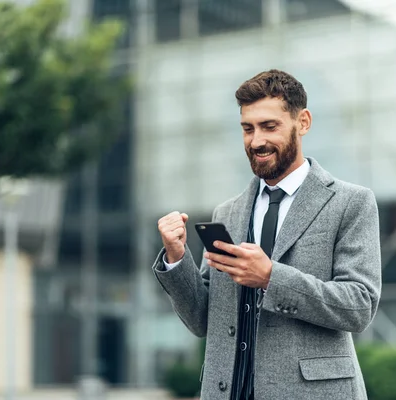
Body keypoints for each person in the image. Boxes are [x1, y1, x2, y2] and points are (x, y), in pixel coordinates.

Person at [153, 69, 381, 400]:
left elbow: (359, 306)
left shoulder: (351, 203)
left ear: (302, 122)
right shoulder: (227, 213)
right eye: (248, 129)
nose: (256, 140)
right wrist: (177, 258)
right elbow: (203, 319)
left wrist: (271, 278)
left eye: (269, 126)